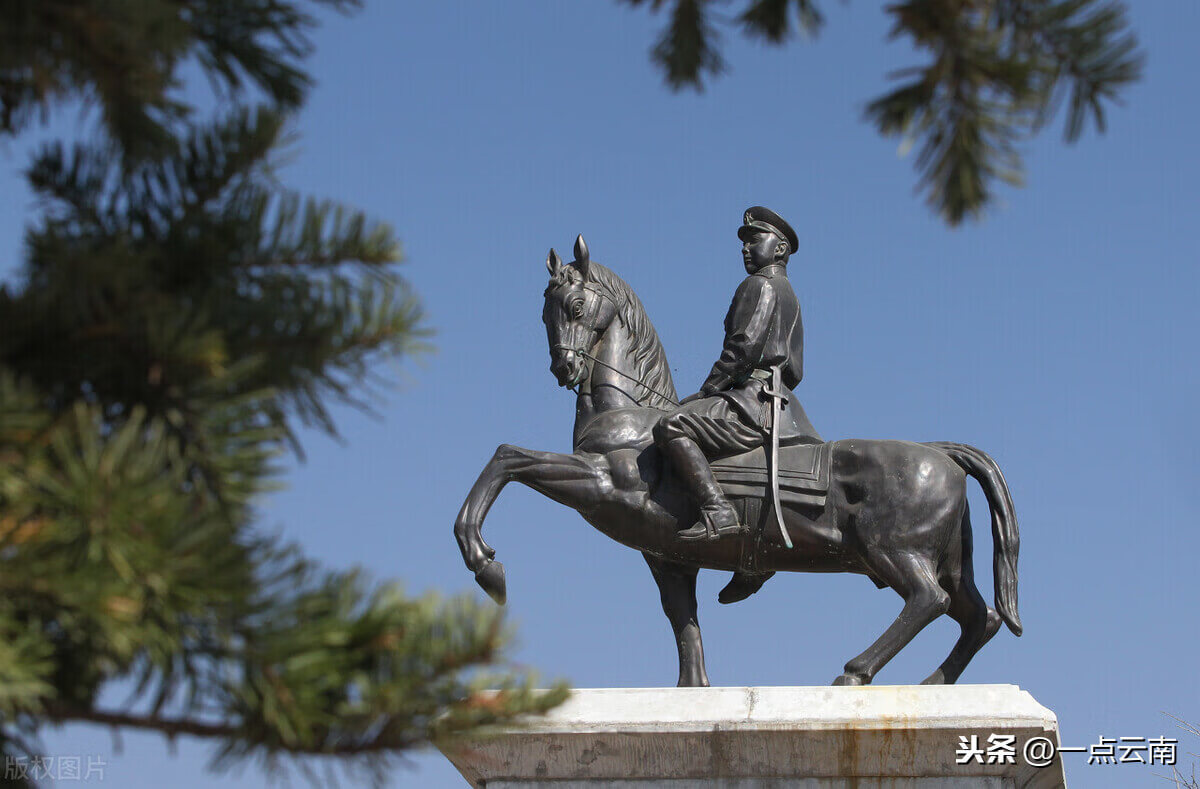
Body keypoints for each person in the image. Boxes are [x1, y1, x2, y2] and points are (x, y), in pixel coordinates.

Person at [653, 206, 821, 541]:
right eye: (743, 242)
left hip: (751, 401)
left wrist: (708, 389)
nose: (745, 247)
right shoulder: (792, 295)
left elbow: (742, 348)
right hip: (783, 405)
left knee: (671, 425)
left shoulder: (759, 285)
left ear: (780, 248)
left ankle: (718, 510)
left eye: (754, 239)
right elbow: (796, 369)